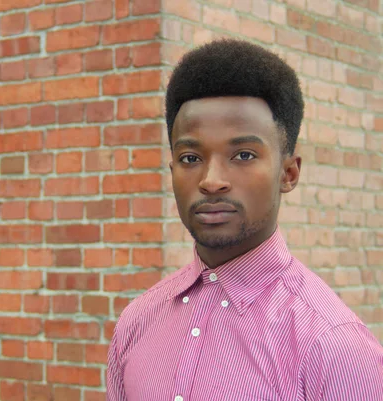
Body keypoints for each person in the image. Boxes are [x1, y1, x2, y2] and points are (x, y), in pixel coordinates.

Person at [106, 39, 383, 401]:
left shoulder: (334, 347)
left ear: (288, 173)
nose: (211, 180)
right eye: (191, 158)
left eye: (243, 154)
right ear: (172, 169)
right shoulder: (137, 323)